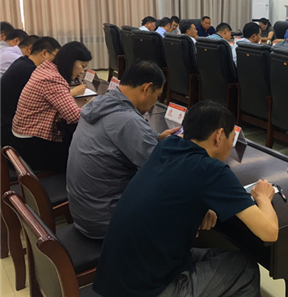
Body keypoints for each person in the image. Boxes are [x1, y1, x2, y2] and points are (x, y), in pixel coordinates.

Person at [93, 100, 278, 297]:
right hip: (146, 290)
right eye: (231, 139)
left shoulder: (167, 145)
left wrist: (199, 206)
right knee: (246, 269)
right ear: (218, 136)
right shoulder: (211, 170)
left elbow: (173, 189)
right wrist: (263, 196)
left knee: (225, 255)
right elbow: (269, 232)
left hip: (117, 278)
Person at [67, 61, 180, 239]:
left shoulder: (101, 103)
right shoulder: (127, 120)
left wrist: (157, 138)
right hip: (107, 221)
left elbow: (120, 137)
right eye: (157, 95)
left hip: (85, 212)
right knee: (181, 200)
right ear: (146, 88)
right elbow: (162, 170)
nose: (155, 103)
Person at [10, 41, 92, 173]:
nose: (82, 71)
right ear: (70, 62)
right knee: (85, 152)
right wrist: (94, 104)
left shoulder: (45, 70)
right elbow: (74, 116)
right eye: (82, 66)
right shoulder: (52, 78)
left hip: (22, 138)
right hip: (31, 146)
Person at [0, 36, 61, 148]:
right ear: (44, 53)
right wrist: (73, 92)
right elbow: (50, 97)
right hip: (9, 130)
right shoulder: (30, 71)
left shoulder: (22, 61)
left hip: (6, 121)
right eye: (55, 57)